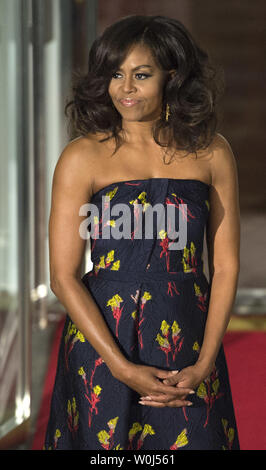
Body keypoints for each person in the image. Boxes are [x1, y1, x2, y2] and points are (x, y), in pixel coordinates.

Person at [44, 15, 240, 450]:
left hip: (188, 338)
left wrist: (205, 361)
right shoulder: (82, 157)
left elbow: (225, 266)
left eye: (141, 75)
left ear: (173, 77)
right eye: (116, 74)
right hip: (104, 343)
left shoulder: (213, 152)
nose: (125, 88)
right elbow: (63, 276)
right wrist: (119, 366)